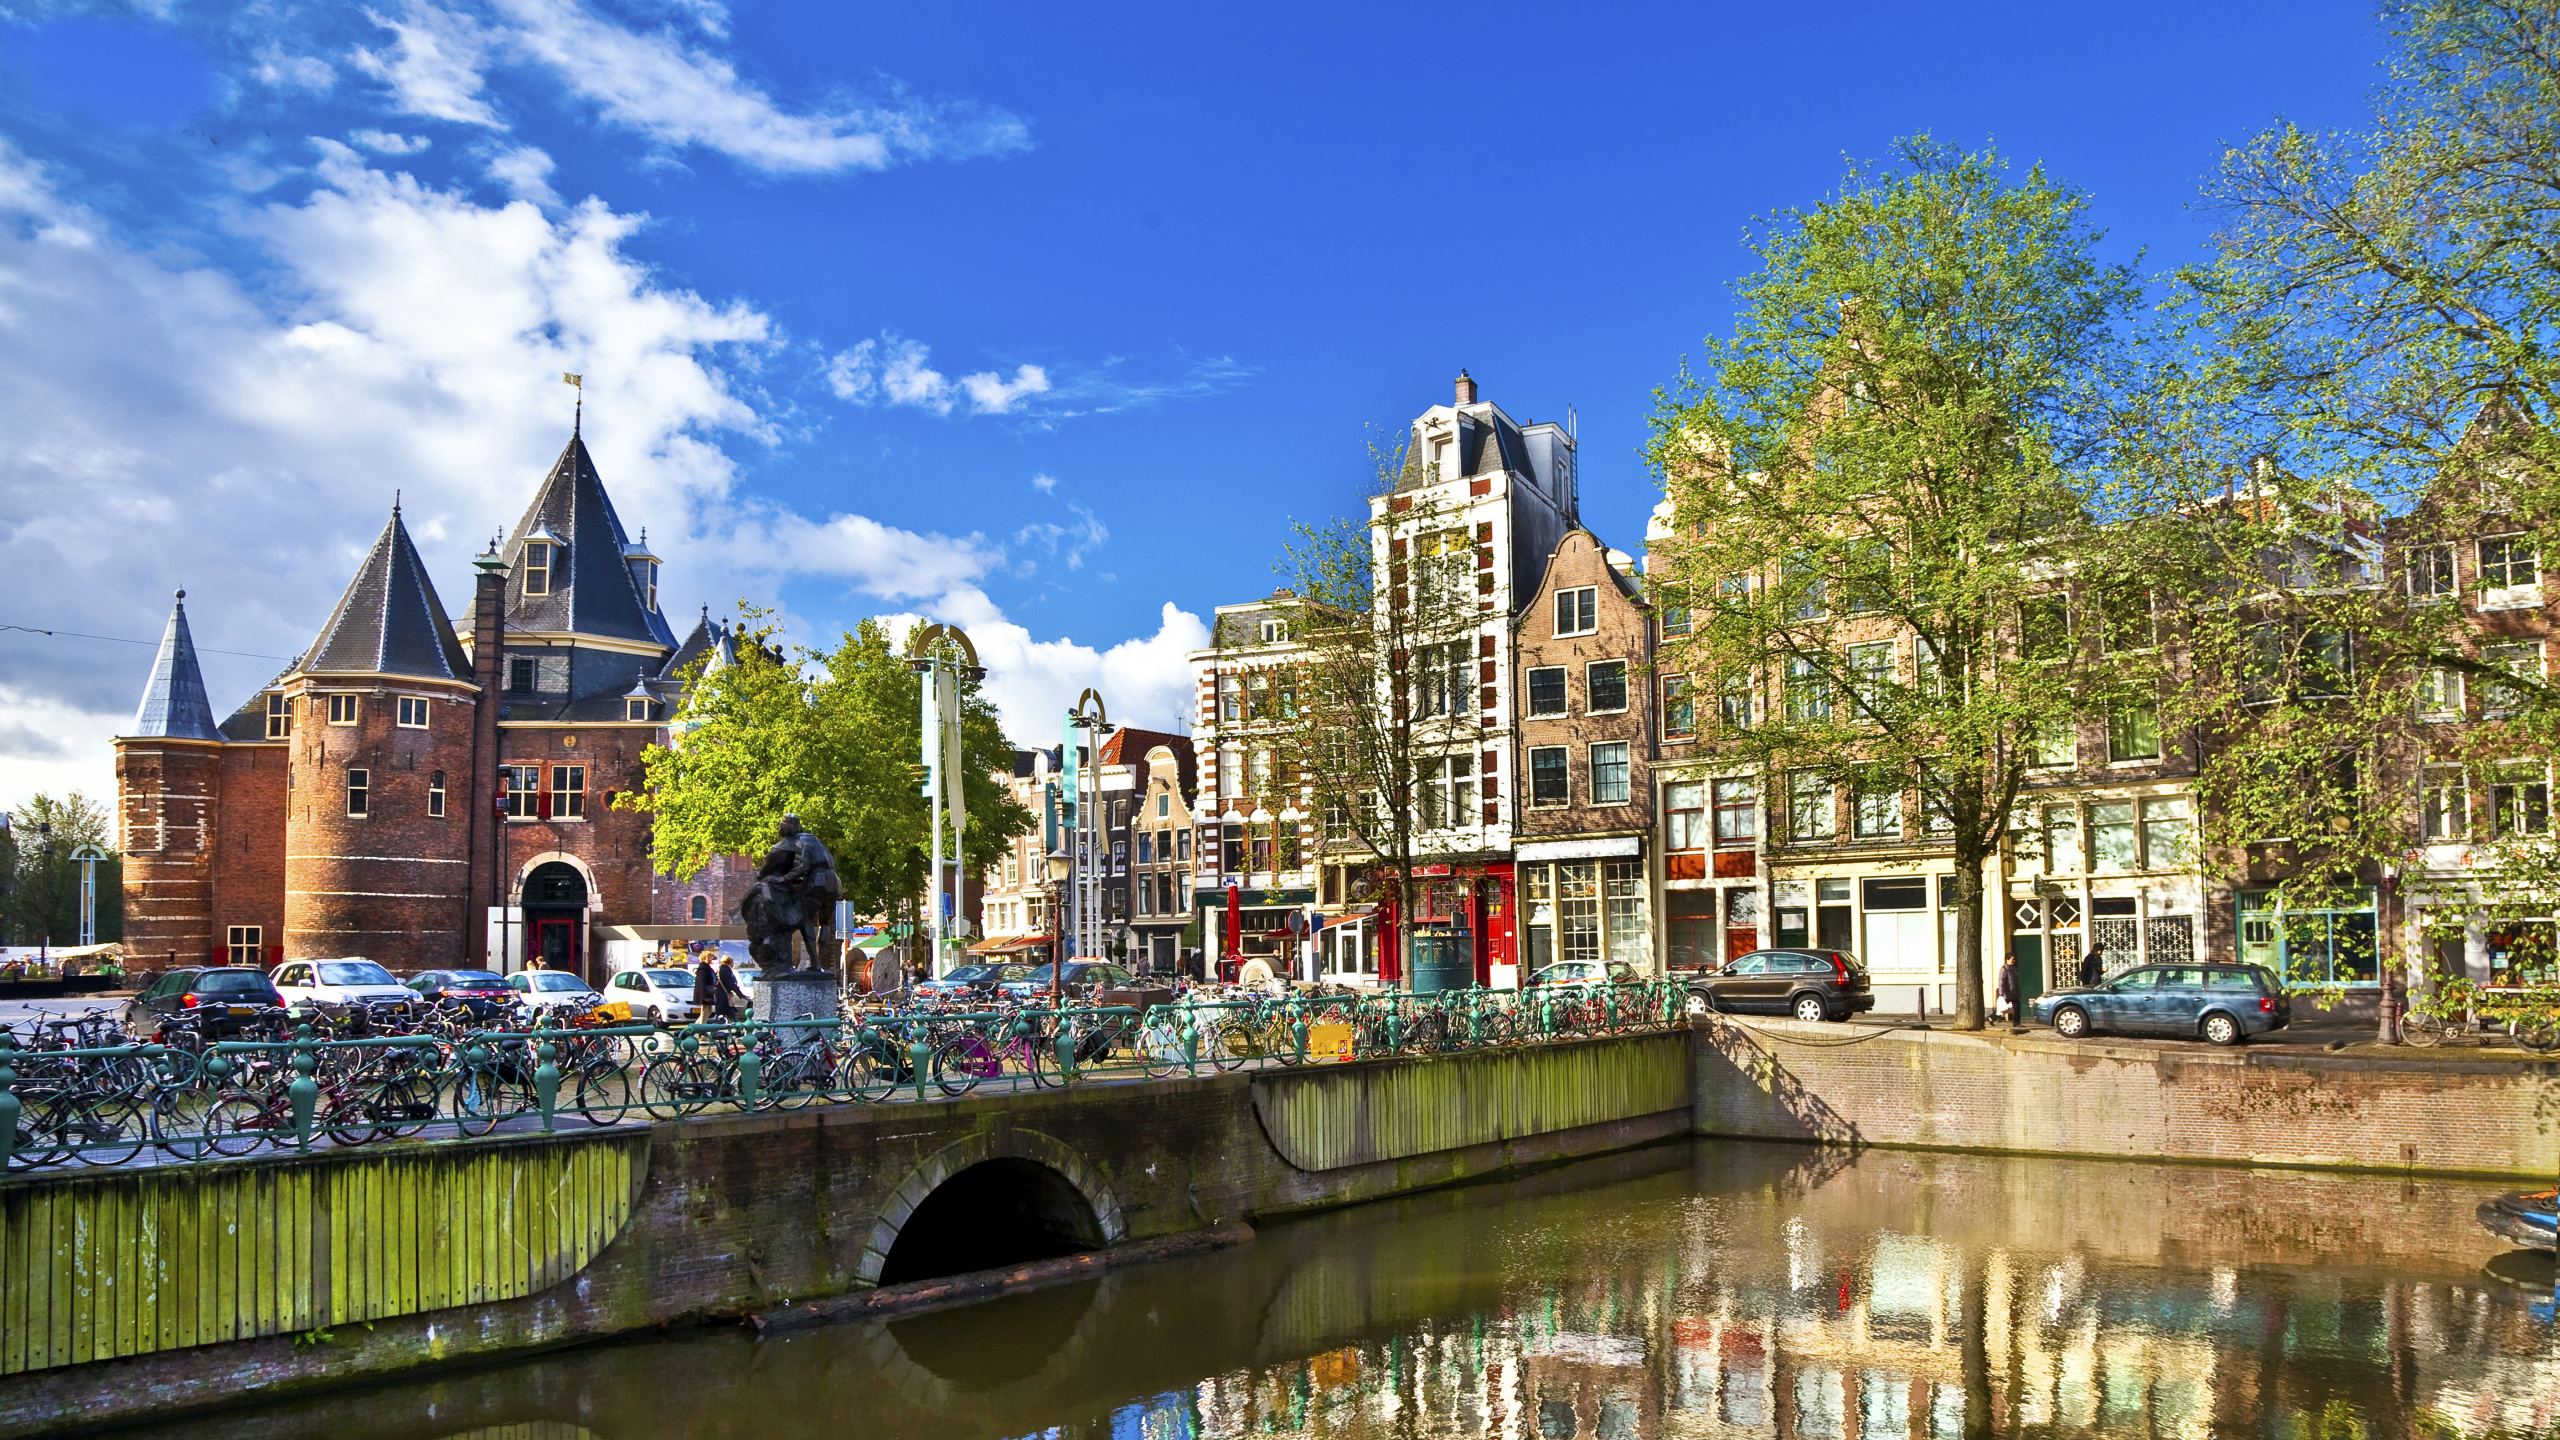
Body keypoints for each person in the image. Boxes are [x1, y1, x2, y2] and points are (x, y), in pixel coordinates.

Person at [715, 954, 748, 1021]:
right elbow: (731, 984)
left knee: (723, 1014)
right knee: (730, 1013)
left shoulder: (720, 969)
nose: (733, 964)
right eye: (732, 962)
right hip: (725, 996)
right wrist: (740, 995)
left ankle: (736, 1027)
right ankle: (738, 1028)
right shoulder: (726, 970)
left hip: (721, 995)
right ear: (729, 962)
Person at [691, 947, 718, 1018]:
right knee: (704, 1013)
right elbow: (701, 984)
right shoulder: (703, 969)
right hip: (705, 994)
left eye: (711, 957)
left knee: (708, 1011)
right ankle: (701, 1027)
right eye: (709, 957)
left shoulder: (707, 968)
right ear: (704, 958)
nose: (710, 959)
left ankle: (697, 1026)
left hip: (708, 993)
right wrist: (704, 997)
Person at [1995, 955, 2020, 1024]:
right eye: (2012, 959)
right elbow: (2002, 981)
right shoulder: (2004, 969)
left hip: (2014, 992)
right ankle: (1992, 1017)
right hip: (2008, 993)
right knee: (2003, 1008)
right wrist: (2001, 993)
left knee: (2016, 1007)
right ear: (2007, 960)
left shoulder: (2014, 969)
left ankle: (2017, 1022)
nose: (2014, 961)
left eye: (2014, 959)